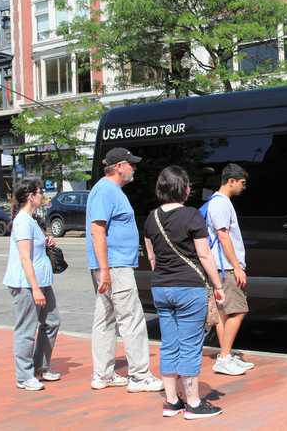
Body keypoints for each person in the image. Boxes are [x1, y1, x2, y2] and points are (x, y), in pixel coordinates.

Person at [143, 166, 226, 420]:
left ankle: (171, 401)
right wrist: (218, 286)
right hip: (189, 287)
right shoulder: (191, 216)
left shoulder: (151, 217)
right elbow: (204, 254)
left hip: (161, 287)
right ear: (184, 188)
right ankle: (192, 402)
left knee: (169, 344)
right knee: (190, 345)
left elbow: (152, 257)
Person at [86, 147, 163, 393]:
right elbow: (97, 230)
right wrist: (105, 270)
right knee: (131, 318)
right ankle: (140, 376)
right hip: (115, 266)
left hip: (112, 265)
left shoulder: (109, 190)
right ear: (119, 166)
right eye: (131, 164)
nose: (134, 168)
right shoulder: (106, 191)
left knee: (106, 318)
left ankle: (103, 374)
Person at [2, 178, 61, 391]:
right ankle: (24, 376)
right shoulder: (22, 221)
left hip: (42, 282)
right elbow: (25, 258)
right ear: (30, 196)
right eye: (40, 192)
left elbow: (34, 248)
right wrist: (35, 288)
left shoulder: (32, 219)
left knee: (52, 321)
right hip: (27, 284)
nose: (42, 195)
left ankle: (40, 367)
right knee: (26, 329)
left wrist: (46, 241)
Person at [205, 163, 254, 376]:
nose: (244, 187)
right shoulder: (221, 204)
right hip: (225, 268)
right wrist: (237, 267)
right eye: (242, 183)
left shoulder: (218, 202)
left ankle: (225, 354)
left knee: (223, 313)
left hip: (221, 267)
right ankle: (224, 358)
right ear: (231, 181)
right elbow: (223, 236)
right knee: (239, 310)